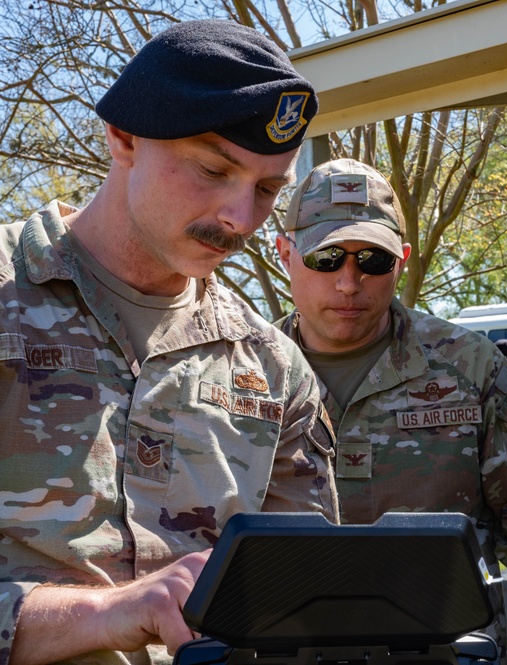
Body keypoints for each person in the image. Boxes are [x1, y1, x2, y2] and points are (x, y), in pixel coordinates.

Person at [0, 20, 338, 664]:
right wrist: (102, 615)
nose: (240, 218)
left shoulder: (272, 366)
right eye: (214, 169)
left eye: (268, 189)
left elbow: (304, 603)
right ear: (124, 136)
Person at [275, 158, 507, 665]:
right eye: (326, 258)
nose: (349, 283)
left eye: (372, 261)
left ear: (400, 259)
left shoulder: (471, 370)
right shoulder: (242, 376)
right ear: (285, 254)